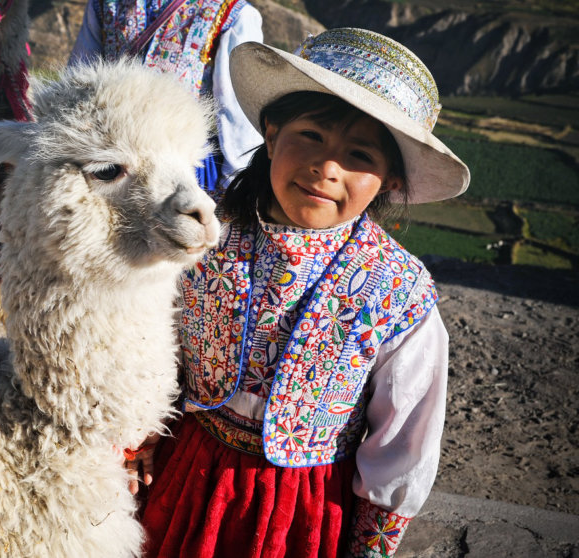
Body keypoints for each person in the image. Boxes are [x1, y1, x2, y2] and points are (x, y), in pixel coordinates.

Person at [127, 28, 471, 557]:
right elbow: (148, 342)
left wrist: (370, 545)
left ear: (391, 183)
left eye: (359, 155)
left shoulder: (397, 291)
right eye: (311, 135)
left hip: (302, 510)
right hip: (184, 471)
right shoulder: (204, 233)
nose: (327, 168)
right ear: (271, 131)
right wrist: (137, 438)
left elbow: (405, 440)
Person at [69, 0, 264, 190]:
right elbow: (80, 85)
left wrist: (238, 180)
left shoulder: (231, 13)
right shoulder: (104, 6)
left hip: (184, 163)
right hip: (114, 162)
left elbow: (236, 109)